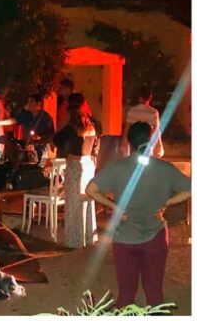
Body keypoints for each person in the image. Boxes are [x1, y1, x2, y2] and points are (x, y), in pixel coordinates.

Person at [86, 122, 190, 308]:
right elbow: (189, 189)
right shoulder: (164, 168)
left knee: (125, 296)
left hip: (125, 239)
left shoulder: (117, 167)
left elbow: (91, 189)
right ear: (151, 142)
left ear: (128, 143)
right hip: (155, 237)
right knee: (155, 293)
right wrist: (166, 202)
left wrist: (115, 207)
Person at [53, 97, 101, 248]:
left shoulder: (71, 128)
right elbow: (96, 147)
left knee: (74, 204)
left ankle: (75, 240)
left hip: (75, 165)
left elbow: (56, 141)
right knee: (88, 201)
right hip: (88, 165)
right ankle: (89, 237)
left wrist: (61, 124)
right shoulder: (91, 126)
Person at [0, 94, 55, 166]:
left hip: (41, 150)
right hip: (29, 150)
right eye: (28, 101)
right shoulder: (26, 114)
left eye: (31, 101)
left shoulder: (46, 118)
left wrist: (37, 142)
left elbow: (50, 136)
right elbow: (14, 120)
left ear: (38, 104)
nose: (28, 104)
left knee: (38, 168)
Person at [121, 88, 164, 158]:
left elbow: (127, 128)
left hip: (133, 142)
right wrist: (160, 145)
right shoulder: (153, 112)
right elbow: (156, 130)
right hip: (147, 142)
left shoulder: (132, 110)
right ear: (149, 98)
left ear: (139, 98)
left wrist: (123, 142)